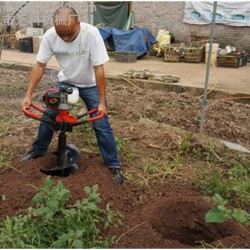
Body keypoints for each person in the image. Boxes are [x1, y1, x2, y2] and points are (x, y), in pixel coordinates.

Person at [21, 7, 124, 185]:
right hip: (66, 82)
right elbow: (40, 65)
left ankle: (113, 164)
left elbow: (99, 69)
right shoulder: (50, 36)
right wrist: (28, 95)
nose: (66, 38)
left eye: (69, 34)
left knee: (100, 123)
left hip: (90, 84)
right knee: (49, 115)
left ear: (78, 23)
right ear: (54, 27)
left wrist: (101, 102)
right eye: (62, 35)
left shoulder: (91, 35)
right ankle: (38, 150)